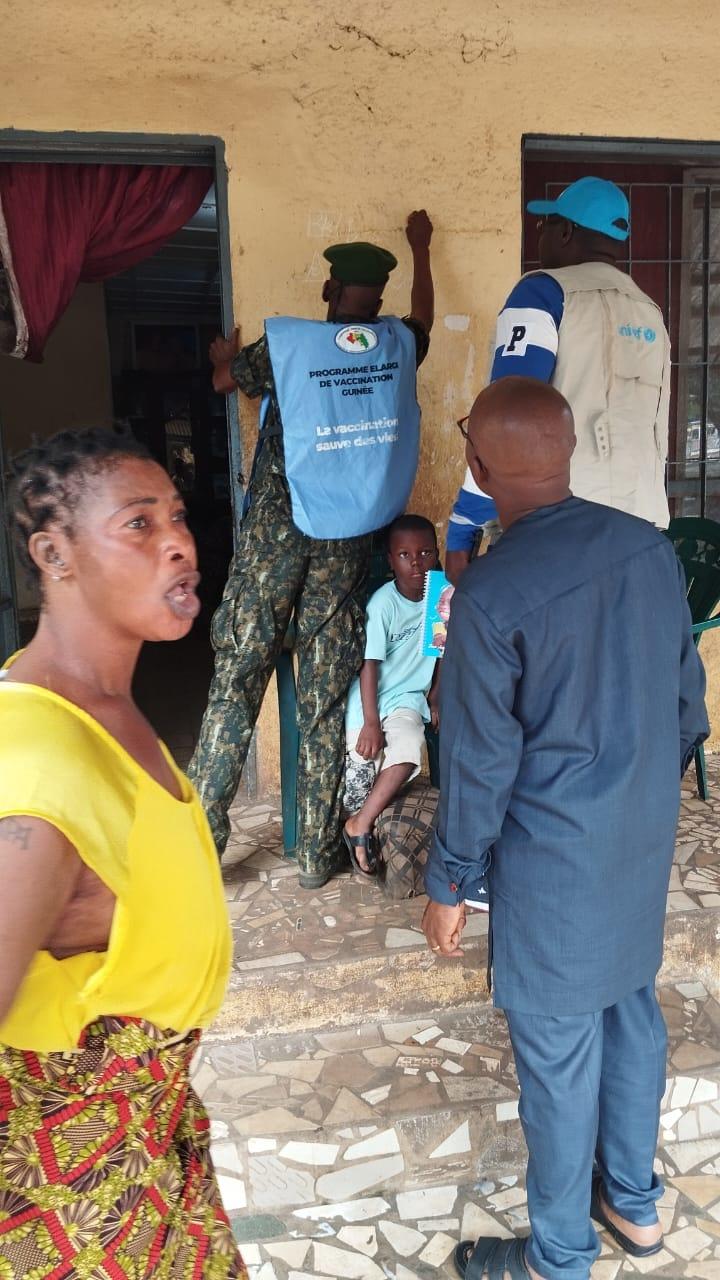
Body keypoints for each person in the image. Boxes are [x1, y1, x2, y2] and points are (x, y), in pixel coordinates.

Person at [422, 377, 708, 1280]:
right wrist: (637, 796)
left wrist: (450, 878)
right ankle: (633, 1205)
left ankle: (559, 1256)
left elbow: (479, 764)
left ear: (477, 468)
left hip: (554, 862)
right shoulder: (648, 549)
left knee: (558, 1056)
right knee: (630, 1014)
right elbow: (688, 703)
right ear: (572, 447)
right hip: (637, 841)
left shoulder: (491, 596)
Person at [0, 427, 246, 1279]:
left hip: (147, 1141)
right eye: (138, 524)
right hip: (68, 1195)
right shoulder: (41, 773)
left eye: (176, 516)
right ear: (53, 554)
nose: (179, 542)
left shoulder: (101, 709)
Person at [189, 212, 434, 889]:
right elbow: (424, 316)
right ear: (377, 297)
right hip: (342, 551)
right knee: (324, 705)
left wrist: (220, 359)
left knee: (235, 686)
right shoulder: (397, 345)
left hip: (273, 545)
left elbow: (224, 382)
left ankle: (202, 846)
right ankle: (317, 855)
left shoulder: (287, 347)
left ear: (330, 289)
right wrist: (421, 249)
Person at [445, 176, 671, 586]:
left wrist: (464, 525)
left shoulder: (543, 293)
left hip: (556, 530)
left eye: (545, 224)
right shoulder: (649, 311)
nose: (540, 234)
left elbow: (507, 422)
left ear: (566, 231)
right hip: (640, 533)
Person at [343, 514, 440, 876]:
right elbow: (369, 666)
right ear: (390, 560)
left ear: (436, 553)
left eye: (425, 553)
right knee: (357, 785)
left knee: (408, 747)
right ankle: (356, 818)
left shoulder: (441, 597)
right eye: (404, 555)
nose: (416, 563)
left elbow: (442, 652)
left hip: (407, 700)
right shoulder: (383, 604)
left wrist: (435, 697)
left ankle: (360, 824)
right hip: (369, 702)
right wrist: (371, 722)